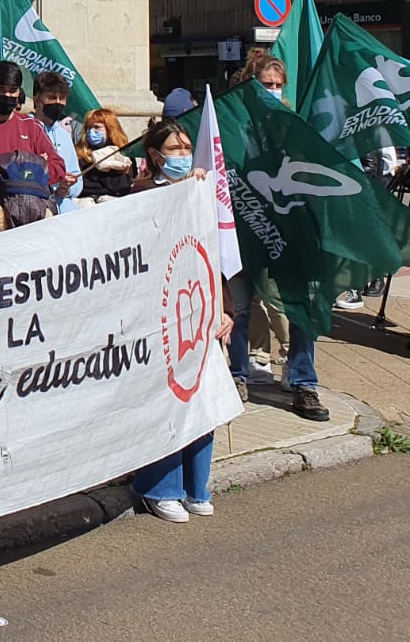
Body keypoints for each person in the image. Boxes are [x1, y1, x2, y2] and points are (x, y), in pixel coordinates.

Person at [129, 118, 233, 522]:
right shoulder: (140, 194)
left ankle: (196, 485)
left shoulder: (200, 193)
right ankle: (158, 486)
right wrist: (182, 190)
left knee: (201, 398)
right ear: (155, 156)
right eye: (174, 149)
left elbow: (213, 253)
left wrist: (225, 309)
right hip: (160, 315)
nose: (183, 155)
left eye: (187, 147)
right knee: (169, 399)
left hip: (200, 311)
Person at [226, 53, 329, 422]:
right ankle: (237, 377)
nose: (272, 90)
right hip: (241, 231)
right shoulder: (230, 126)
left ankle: (304, 383)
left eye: (276, 84)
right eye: (264, 84)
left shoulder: (293, 127)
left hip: (287, 232)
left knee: (302, 309)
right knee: (237, 309)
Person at [0, 60, 67, 229]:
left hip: (38, 216)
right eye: (1, 90)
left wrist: (6, 170)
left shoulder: (32, 125)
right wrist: (36, 165)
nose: (8, 96)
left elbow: (57, 166)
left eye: (13, 91)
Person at [31, 72, 82, 215]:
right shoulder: (26, 129)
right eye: (52, 98)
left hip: (66, 213)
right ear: (37, 100)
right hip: (39, 212)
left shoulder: (64, 135)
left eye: (62, 98)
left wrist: (68, 187)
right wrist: (55, 184)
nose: (58, 103)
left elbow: (78, 177)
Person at [76, 108, 135, 201]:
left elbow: (123, 185)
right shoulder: (81, 155)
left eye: (96, 127)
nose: (91, 131)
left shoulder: (124, 154)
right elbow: (82, 186)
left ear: (110, 129)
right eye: (88, 127)